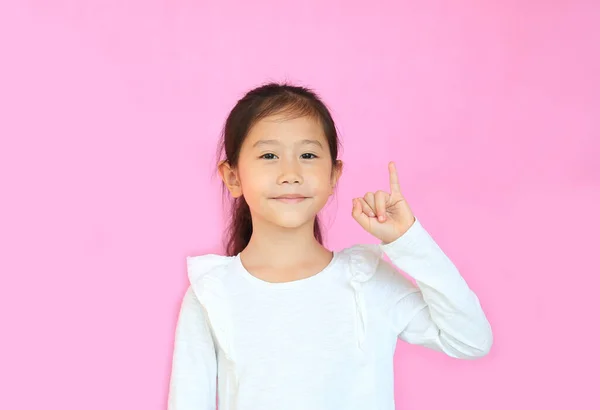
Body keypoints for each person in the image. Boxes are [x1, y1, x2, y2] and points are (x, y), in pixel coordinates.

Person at [167, 82, 493, 410]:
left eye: (308, 155)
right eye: (269, 155)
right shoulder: (212, 294)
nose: (290, 173)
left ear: (334, 174)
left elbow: (470, 339)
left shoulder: (366, 281)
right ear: (233, 176)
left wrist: (407, 240)